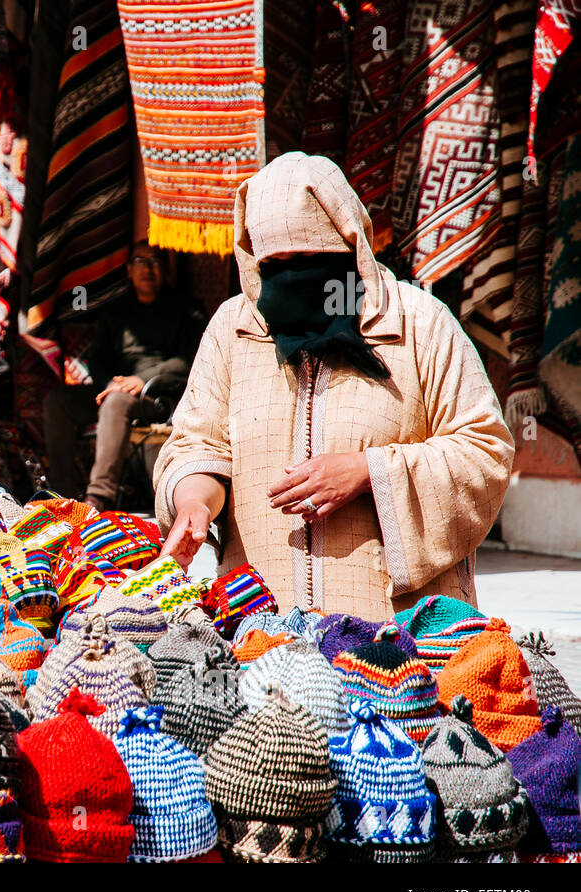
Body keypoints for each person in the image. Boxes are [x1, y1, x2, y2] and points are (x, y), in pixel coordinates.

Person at [155, 152, 513, 619]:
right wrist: (195, 502)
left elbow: (486, 452)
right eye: (274, 265)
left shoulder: (419, 324)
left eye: (305, 261)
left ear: (349, 248)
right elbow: (195, 442)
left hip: (397, 645)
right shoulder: (235, 328)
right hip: (262, 640)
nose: (289, 281)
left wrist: (370, 472)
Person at [42, 240, 207, 510]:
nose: (147, 269)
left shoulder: (186, 309)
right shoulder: (117, 310)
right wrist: (111, 383)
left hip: (159, 395)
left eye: (155, 262)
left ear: (165, 270)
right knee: (57, 401)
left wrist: (142, 381)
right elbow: (95, 357)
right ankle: (63, 495)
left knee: (116, 401)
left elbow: (191, 360)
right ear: (129, 270)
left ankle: (99, 497)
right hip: (116, 390)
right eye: (140, 262)